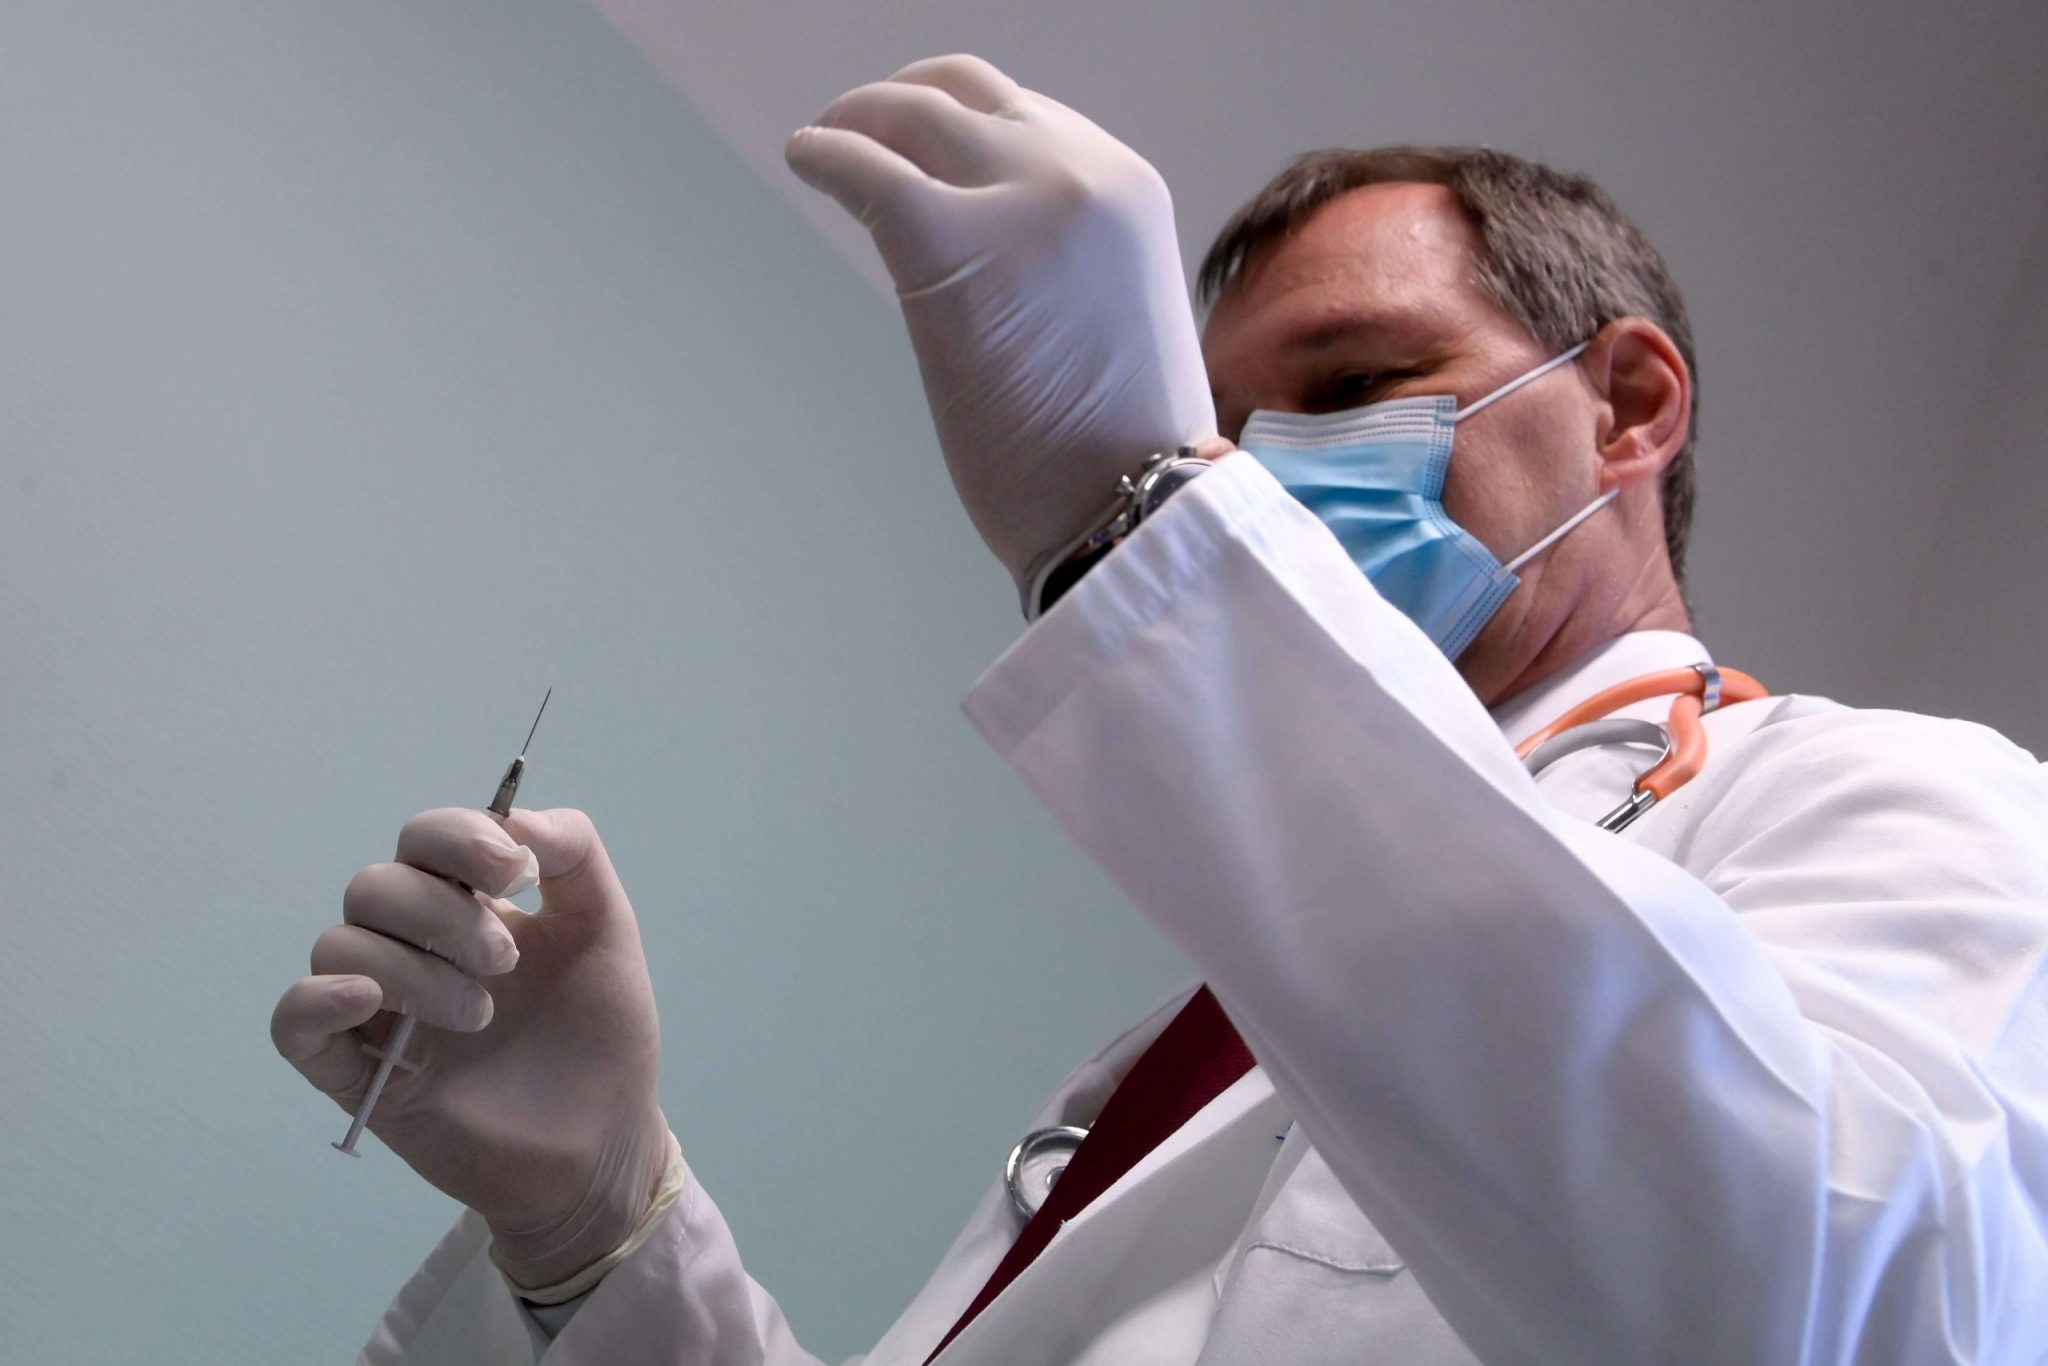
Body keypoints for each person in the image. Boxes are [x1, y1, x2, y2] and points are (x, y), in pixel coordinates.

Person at [271, 54, 2048, 1364]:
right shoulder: (1201, 1044)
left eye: (1357, 383)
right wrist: (595, 1220)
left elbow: (1847, 1316)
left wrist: (1127, 519)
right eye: (1226, 440)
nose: (1267, 483)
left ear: (1631, 404)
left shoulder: (1902, 804)